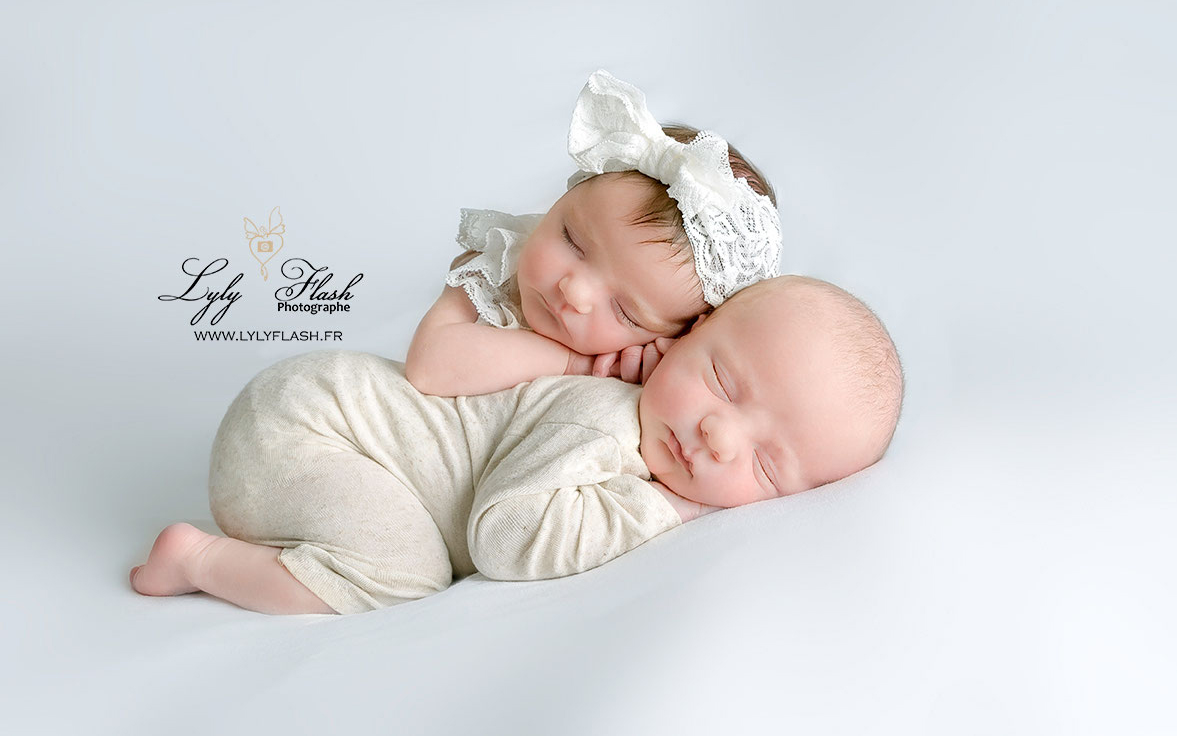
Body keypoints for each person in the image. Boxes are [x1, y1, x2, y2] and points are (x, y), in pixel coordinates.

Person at [129, 275, 904, 615]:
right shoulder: (605, 420)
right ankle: (196, 560)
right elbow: (503, 537)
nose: (715, 436)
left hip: (307, 421)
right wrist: (661, 510)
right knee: (403, 577)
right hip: (304, 429)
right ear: (687, 335)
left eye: (766, 465)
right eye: (722, 384)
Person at [405, 68, 782, 395]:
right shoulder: (493, 272)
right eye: (573, 241)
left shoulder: (642, 375)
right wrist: (573, 364)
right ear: (566, 196)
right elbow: (428, 367)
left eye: (625, 313)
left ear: (676, 336)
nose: (574, 292)